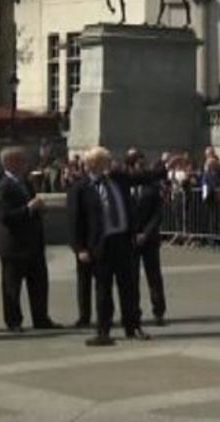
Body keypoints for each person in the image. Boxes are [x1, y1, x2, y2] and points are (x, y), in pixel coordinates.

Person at [68, 146, 166, 346]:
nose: (111, 164)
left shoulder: (117, 179)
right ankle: (103, 330)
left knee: (128, 287)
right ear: (94, 164)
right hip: (101, 244)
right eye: (106, 161)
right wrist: (80, 248)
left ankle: (133, 327)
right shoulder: (81, 188)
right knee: (103, 289)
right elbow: (75, 221)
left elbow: (141, 177)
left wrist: (162, 169)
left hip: (122, 241)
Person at [0, 147, 60, 333]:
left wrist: (39, 210)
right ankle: (13, 321)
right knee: (12, 286)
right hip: (14, 246)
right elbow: (4, 217)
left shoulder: (25, 183)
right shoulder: (3, 186)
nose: (26, 164)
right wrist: (29, 208)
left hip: (33, 243)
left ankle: (41, 318)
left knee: (39, 283)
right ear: (10, 163)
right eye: (21, 160)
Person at [127, 149, 168, 327]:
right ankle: (134, 311)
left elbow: (158, 213)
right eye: (139, 165)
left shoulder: (152, 187)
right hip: (130, 238)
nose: (143, 168)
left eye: (144, 164)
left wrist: (146, 233)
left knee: (154, 276)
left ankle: (158, 311)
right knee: (132, 277)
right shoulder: (124, 186)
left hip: (149, 238)